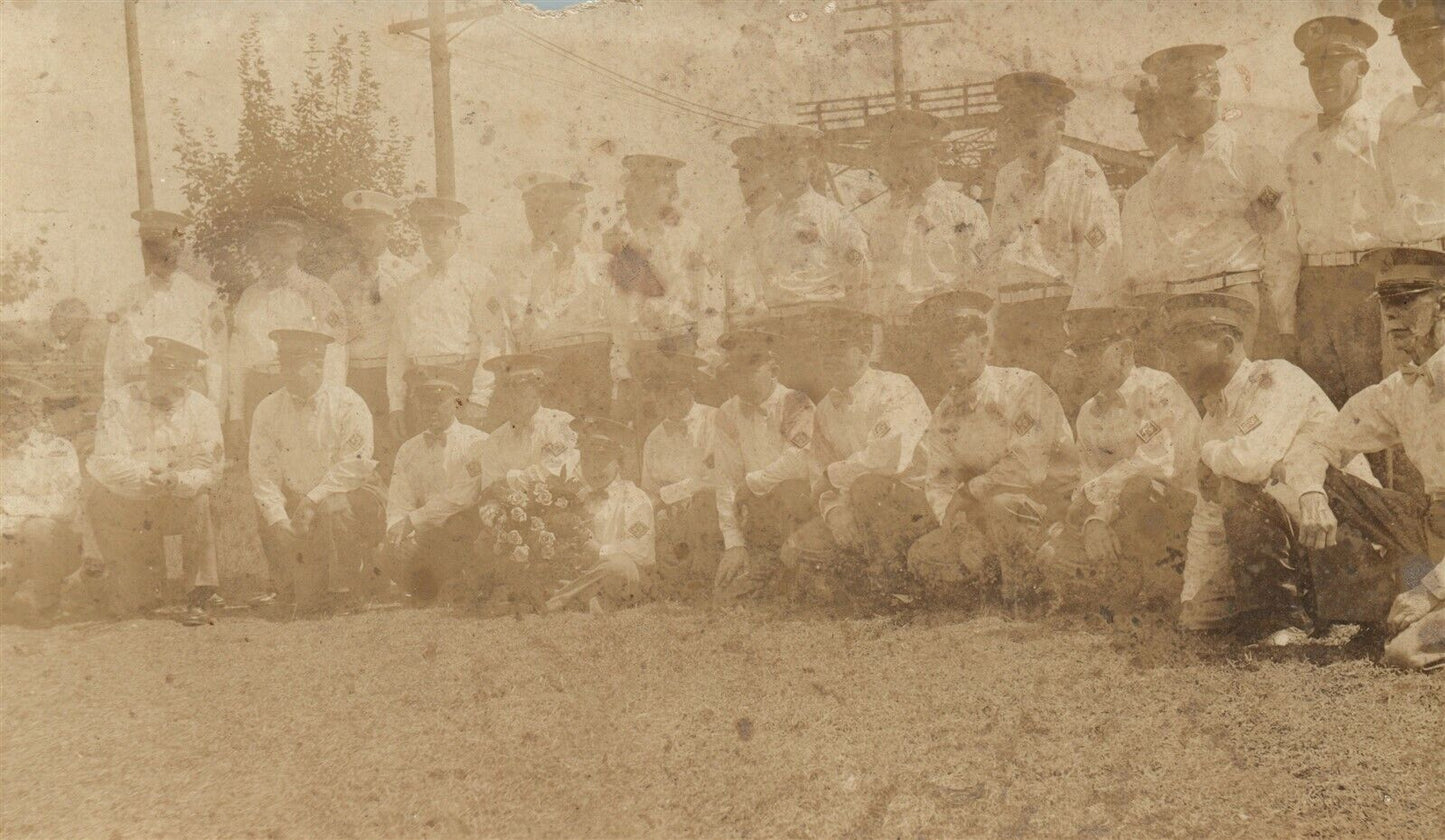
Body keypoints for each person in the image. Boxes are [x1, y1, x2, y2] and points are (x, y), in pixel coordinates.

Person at [1159, 292, 1381, 641]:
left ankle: (1281, 620)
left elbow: (1251, 462)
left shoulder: (1277, 378)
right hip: (1302, 542)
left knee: (1237, 484)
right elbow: (1208, 516)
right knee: (1201, 618)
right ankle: (1291, 607)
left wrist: (1210, 454)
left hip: (1348, 538)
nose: (1176, 362)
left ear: (1227, 345)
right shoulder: (1213, 419)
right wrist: (1192, 597)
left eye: (1186, 348)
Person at [1283, 247, 1445, 669]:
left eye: (1407, 300)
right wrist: (1311, 494)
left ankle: (1424, 610)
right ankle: (1375, 608)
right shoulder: (1400, 388)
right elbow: (1318, 441)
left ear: (1443, 302)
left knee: (1404, 654)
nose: (1392, 315)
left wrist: (1430, 590)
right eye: (1387, 303)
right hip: (1430, 527)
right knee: (1326, 481)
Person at [904, 290, 1079, 607]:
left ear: (984, 344)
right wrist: (959, 531)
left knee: (1002, 504)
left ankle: (1027, 594)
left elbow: (1027, 467)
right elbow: (939, 480)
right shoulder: (944, 412)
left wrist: (971, 491)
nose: (949, 353)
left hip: (1046, 508)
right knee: (923, 555)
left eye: (959, 340)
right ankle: (994, 584)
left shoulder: (1024, 386)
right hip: (985, 515)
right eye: (940, 345)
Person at [1145, 44, 1300, 358]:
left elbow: (1281, 241)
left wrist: (1282, 320)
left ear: (1214, 88)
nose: (1174, 106)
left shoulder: (1249, 153)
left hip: (1236, 298)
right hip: (1182, 304)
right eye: (1166, 97)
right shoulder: (1162, 170)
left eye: (1186, 93)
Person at [1044, 306, 1200, 613]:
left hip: (1176, 513)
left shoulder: (1158, 388)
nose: (1085, 361)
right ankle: (1120, 585)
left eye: (1094, 350)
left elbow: (1155, 465)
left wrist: (1100, 514)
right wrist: (1091, 520)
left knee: (1139, 489)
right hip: (1115, 515)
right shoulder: (1090, 410)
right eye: (1079, 352)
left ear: (1125, 351)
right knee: (1049, 552)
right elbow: (1087, 478)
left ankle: (1161, 590)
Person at [778, 307, 933, 603]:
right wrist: (836, 514)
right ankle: (863, 578)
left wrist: (832, 477)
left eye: (838, 348)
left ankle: (896, 589)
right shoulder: (823, 410)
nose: (829, 357)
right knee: (798, 547)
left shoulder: (897, 387)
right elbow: (817, 476)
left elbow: (887, 459)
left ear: (864, 352)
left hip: (913, 502)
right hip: (855, 505)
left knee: (868, 486)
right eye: (823, 349)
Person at [1284, 17, 1391, 407]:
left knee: (1375, 404)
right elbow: (1285, 238)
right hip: (1312, 289)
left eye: (1335, 63)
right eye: (1315, 67)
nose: (1322, 76)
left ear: (1363, 66)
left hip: (1366, 284)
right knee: (1323, 406)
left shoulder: (1386, 131)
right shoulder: (1298, 147)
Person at [986, 72, 1121, 377]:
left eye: (1033, 120)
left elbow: (1099, 254)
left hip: (1057, 317)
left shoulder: (1083, 170)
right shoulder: (1006, 178)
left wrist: (1078, 336)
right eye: (1014, 119)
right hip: (1011, 318)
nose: (1022, 128)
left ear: (1059, 123)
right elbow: (995, 255)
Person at [87, 337, 222, 625]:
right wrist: (146, 476)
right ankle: (142, 584)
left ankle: (198, 593)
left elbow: (211, 469)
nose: (167, 391)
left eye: (177, 383)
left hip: (177, 499)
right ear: (150, 370)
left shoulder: (202, 409)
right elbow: (106, 460)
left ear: (188, 378)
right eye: (160, 377)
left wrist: (175, 479)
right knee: (99, 497)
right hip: (132, 500)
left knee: (200, 498)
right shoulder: (119, 402)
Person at [858, 108, 990, 400]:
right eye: (898, 153)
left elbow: (979, 281)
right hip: (897, 340)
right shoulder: (883, 218)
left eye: (913, 151)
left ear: (935, 153)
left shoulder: (964, 210)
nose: (906, 163)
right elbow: (877, 285)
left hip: (944, 335)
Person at [248, 329, 382, 614]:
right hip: (298, 500)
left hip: (345, 493)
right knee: (266, 509)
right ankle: (287, 586)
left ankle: (348, 585)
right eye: (284, 365)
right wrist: (277, 519)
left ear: (319, 365)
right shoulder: (267, 409)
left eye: (297, 366)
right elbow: (263, 474)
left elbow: (354, 466)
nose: (288, 374)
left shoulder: (348, 402)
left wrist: (312, 500)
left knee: (334, 507)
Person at [386, 196, 511, 440]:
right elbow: (397, 349)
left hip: (460, 382)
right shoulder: (409, 287)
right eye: (426, 232)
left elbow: (493, 341)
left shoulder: (479, 279)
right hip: (420, 384)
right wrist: (396, 405)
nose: (432, 239)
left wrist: (479, 398)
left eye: (441, 231)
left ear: (458, 234)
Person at [229, 203, 347, 445]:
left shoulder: (319, 292)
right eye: (267, 239)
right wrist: (236, 413)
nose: (274, 247)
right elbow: (236, 359)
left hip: (301, 392)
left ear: (299, 243)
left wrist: (329, 404)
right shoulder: (249, 296)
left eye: (282, 239)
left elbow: (336, 351)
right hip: (257, 391)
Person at [710, 329, 816, 599]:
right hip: (758, 517)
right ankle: (767, 569)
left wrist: (752, 482)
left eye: (752, 366)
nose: (743, 375)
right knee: (728, 594)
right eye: (736, 368)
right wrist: (734, 543)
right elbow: (725, 480)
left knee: (789, 489)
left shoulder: (795, 401)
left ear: (774, 370)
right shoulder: (726, 413)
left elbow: (799, 461)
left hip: (800, 511)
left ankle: (795, 566)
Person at [514, 177, 626, 420]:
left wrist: (619, 382)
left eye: (565, 214)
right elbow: (532, 331)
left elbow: (621, 331)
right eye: (551, 215)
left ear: (583, 216)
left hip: (590, 371)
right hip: (552, 374)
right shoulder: (540, 273)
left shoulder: (603, 266)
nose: (557, 223)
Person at [104, 209, 225, 416]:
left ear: (182, 247)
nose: (159, 256)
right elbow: (114, 361)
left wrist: (214, 411)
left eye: (167, 248)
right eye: (151, 248)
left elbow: (216, 360)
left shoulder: (204, 298)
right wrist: (111, 406)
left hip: (186, 398)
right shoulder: (128, 297)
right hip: (137, 400)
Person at [382, 378, 489, 605]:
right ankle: (427, 588)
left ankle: (453, 584)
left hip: (460, 527)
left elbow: (462, 497)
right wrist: (401, 534)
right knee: (386, 550)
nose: (430, 408)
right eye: (424, 402)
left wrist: (413, 522)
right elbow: (399, 499)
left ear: (456, 403)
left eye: (439, 401)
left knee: (454, 529)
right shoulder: (408, 449)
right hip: (422, 531)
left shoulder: (477, 442)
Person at [328, 190, 413, 466]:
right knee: (354, 455)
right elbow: (334, 338)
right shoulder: (340, 280)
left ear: (387, 228)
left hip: (390, 380)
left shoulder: (407, 276)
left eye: (372, 227)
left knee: (393, 456)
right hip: (353, 378)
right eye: (358, 226)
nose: (364, 235)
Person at [748, 125, 870, 315]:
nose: (783, 173)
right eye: (776, 165)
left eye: (791, 164)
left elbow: (858, 274)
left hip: (823, 319)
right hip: (775, 323)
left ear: (812, 168)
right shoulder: (764, 220)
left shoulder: (836, 215)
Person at [602, 154, 714, 358]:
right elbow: (618, 313)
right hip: (640, 351)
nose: (640, 197)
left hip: (686, 344)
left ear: (671, 190)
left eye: (651, 188)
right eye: (637, 188)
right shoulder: (627, 242)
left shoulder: (690, 235)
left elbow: (707, 299)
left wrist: (706, 356)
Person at [637, 351, 727, 599]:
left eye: (675, 389)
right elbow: (648, 490)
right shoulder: (654, 438)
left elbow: (720, 476)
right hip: (673, 516)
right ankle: (672, 583)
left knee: (703, 504)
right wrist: (659, 508)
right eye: (660, 391)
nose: (669, 397)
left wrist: (674, 495)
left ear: (691, 387)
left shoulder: (716, 419)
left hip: (713, 509)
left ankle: (703, 580)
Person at [544, 416, 656, 613]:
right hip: (590, 575)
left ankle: (557, 600)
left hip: (624, 577)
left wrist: (599, 549)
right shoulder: (579, 496)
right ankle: (586, 600)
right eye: (587, 460)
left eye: (602, 460)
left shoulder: (636, 500)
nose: (593, 468)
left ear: (619, 463)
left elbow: (640, 549)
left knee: (619, 567)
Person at [0, 374, 81, 624]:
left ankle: (48, 603)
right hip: (10, 536)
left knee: (38, 528)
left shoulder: (58, 450)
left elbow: (65, 505)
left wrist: (16, 512)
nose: (10, 422)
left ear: (34, 417)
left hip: (54, 539)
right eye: (6, 416)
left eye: (17, 414)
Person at [1376, 0, 1445, 248]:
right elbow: (1389, 199)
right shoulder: (1395, 113)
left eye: (1427, 37)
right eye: (1406, 41)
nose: (1417, 52)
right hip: (1406, 267)